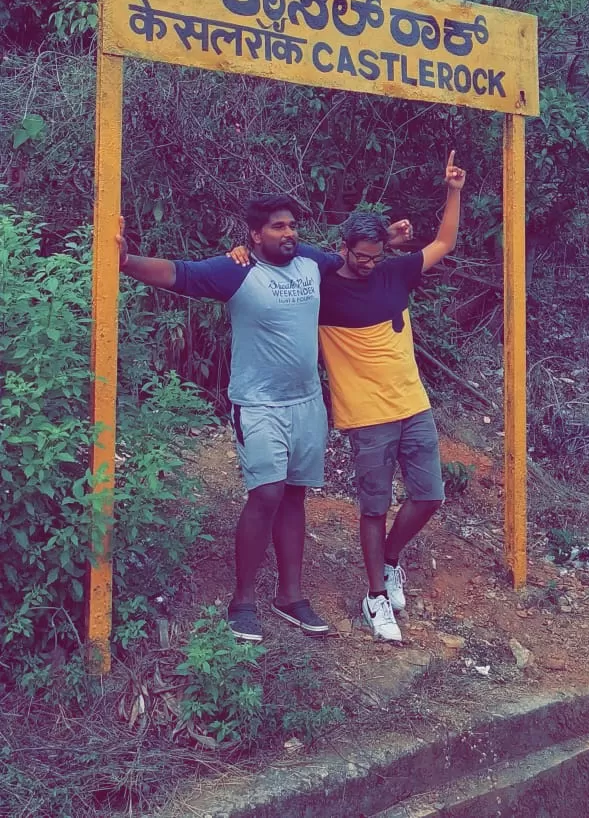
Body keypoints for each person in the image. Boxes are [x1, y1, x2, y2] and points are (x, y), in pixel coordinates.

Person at [116, 197, 411, 644]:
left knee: (293, 495)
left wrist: (385, 239)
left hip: (307, 403)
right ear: (255, 235)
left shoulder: (312, 261)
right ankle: (243, 602)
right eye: (277, 226)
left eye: (291, 224)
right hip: (257, 405)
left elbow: (351, 256)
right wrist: (124, 261)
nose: (288, 232)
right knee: (267, 492)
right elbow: (180, 273)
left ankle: (290, 596)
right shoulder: (236, 270)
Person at [316, 150, 466, 643]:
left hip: (412, 404)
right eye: (360, 256)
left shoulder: (394, 272)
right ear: (344, 248)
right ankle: (375, 596)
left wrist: (453, 191)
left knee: (429, 496)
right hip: (366, 414)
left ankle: (391, 559)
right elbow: (282, 259)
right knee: (373, 508)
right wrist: (241, 251)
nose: (367, 265)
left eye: (374, 256)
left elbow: (444, 242)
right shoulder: (323, 284)